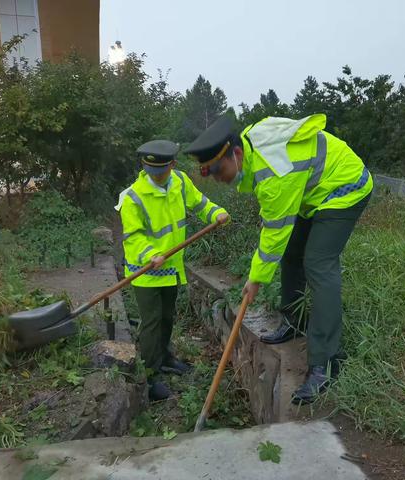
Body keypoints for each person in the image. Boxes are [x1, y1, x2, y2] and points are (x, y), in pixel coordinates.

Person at [184, 114, 372, 403]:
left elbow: (274, 231)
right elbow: (277, 219)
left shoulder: (272, 174)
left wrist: (256, 278)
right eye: (208, 172)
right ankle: (295, 321)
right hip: (313, 193)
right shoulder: (252, 148)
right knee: (292, 252)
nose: (218, 179)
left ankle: (326, 362)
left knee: (318, 264)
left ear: (236, 154)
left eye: (218, 169)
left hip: (344, 188)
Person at [117, 140, 229, 400]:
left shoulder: (179, 182)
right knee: (152, 323)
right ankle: (150, 375)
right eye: (151, 172)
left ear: (172, 166)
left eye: (161, 172)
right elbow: (132, 237)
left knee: (168, 317)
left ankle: (165, 357)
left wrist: (217, 214)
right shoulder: (132, 196)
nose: (157, 177)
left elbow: (200, 204)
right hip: (145, 271)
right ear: (144, 167)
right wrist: (150, 254)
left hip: (171, 267)